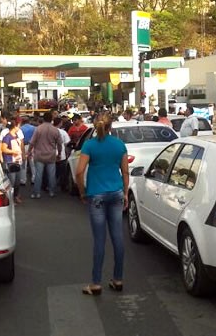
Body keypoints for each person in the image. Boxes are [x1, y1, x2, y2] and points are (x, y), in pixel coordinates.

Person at [75, 113, 129, 296]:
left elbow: (79, 172)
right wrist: (126, 192)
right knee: (118, 237)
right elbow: (125, 172)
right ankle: (118, 279)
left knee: (99, 240)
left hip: (96, 195)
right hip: (116, 193)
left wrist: (82, 192)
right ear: (111, 127)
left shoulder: (89, 145)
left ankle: (96, 283)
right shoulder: (119, 145)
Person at [28, 111, 63, 199]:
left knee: (38, 175)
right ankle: (51, 191)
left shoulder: (38, 129)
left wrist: (29, 152)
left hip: (39, 155)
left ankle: (37, 193)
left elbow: (32, 142)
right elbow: (59, 143)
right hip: (51, 155)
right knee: (51, 174)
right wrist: (59, 153)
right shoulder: (55, 130)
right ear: (52, 119)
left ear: (43, 119)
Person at [0, 121, 23, 204]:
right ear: (15, 126)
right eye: (19, 126)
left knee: (17, 181)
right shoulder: (7, 137)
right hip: (10, 162)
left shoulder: (16, 136)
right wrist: (14, 151)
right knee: (11, 181)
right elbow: (3, 149)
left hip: (17, 161)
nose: (19, 127)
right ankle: (9, 198)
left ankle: (15, 196)